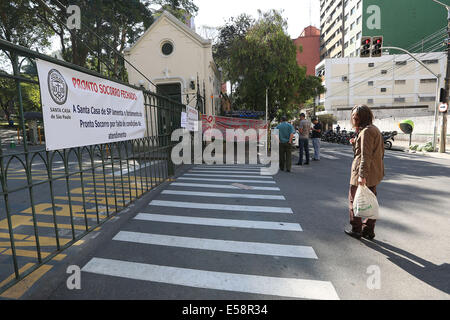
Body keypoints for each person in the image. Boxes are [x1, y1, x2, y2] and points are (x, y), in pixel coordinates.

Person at [345, 105, 385, 240]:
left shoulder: (366, 132)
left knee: (354, 201)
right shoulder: (373, 129)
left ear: (362, 117)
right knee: (370, 201)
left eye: (355, 115)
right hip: (373, 173)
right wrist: (355, 142)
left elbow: (365, 156)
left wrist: (362, 175)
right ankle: (368, 229)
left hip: (363, 173)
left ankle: (356, 229)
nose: (353, 118)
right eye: (353, 115)